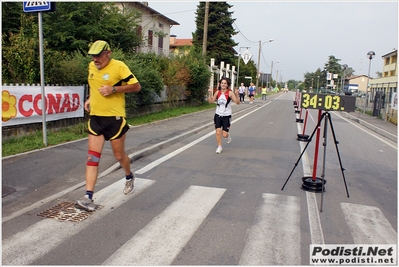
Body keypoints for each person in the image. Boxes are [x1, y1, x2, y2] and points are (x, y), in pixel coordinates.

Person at [76, 40, 141, 211]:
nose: (95, 59)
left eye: (98, 55)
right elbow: (94, 85)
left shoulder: (119, 67)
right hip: (96, 118)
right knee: (92, 158)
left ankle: (129, 176)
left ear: (108, 53)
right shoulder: (91, 67)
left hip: (115, 119)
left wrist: (114, 90)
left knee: (119, 156)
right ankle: (88, 196)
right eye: (93, 56)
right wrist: (90, 98)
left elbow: (136, 86)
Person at [208, 77, 240, 154]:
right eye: (222, 83)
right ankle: (219, 146)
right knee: (218, 132)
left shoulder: (230, 93)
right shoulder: (217, 92)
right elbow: (211, 101)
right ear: (220, 84)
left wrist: (237, 94)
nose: (223, 84)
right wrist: (209, 94)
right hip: (218, 114)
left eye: (225, 83)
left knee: (224, 134)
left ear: (227, 85)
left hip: (227, 115)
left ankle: (227, 136)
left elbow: (237, 102)